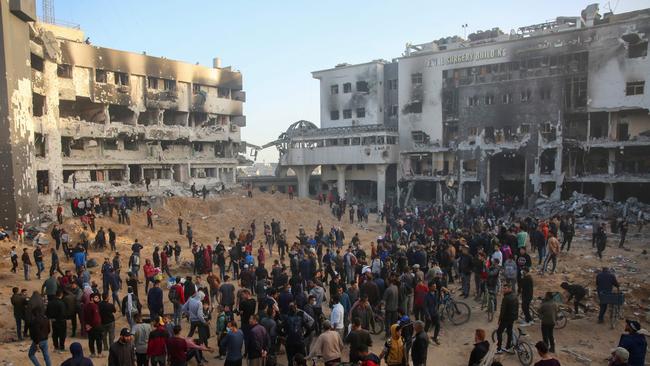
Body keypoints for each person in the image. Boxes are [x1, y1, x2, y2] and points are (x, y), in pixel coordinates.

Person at [496, 283, 518, 354]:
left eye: (505, 288)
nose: (503, 290)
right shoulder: (515, 296)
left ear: (509, 289)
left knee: (499, 332)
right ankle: (508, 347)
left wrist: (499, 319)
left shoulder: (506, 298)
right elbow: (517, 307)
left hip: (505, 319)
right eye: (503, 288)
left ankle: (499, 349)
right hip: (512, 318)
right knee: (509, 331)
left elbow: (503, 311)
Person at [84, 293, 104, 358]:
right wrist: (91, 325)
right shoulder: (95, 306)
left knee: (91, 340)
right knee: (98, 340)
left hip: (89, 327)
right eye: (96, 297)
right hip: (95, 326)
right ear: (92, 298)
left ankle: (92, 353)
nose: (97, 299)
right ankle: (99, 353)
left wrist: (87, 325)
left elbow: (84, 317)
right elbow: (96, 319)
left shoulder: (86, 306)